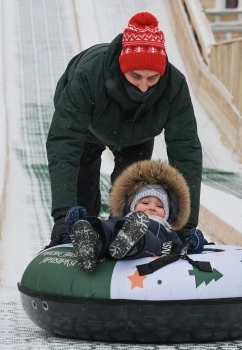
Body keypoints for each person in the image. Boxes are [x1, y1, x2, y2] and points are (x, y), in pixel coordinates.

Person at [46, 11, 203, 249]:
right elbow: (64, 142)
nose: (143, 86)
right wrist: (62, 216)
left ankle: (122, 241)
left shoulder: (174, 86)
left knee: (129, 198)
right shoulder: (89, 75)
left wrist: (187, 226)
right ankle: (82, 237)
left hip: (137, 134)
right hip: (88, 126)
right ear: (122, 68)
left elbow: (186, 151)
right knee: (83, 196)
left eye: (152, 79)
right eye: (136, 76)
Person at [65, 160, 209, 272]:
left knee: (151, 240)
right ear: (132, 206)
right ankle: (91, 239)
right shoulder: (124, 217)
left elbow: (179, 247)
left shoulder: (167, 229)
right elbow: (109, 224)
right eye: (145, 202)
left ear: (168, 214)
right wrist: (86, 222)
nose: (152, 207)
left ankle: (134, 243)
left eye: (160, 206)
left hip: (151, 240)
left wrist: (191, 244)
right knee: (108, 227)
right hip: (125, 226)